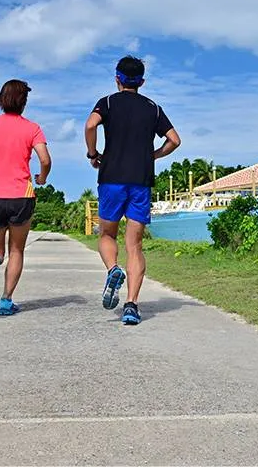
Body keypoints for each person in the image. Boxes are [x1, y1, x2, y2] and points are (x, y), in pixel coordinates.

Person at [84, 56, 181, 325]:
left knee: (106, 234)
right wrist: (153, 155)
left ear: (117, 79)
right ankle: (131, 305)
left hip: (112, 178)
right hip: (140, 180)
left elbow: (91, 125)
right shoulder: (153, 108)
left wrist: (93, 153)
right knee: (135, 245)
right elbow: (174, 140)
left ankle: (113, 269)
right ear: (142, 82)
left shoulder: (107, 102)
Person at [0, 79, 51, 316]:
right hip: (21, 197)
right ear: (24, 102)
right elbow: (45, 159)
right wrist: (42, 178)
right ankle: (6, 300)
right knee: (16, 250)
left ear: (1, 99)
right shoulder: (32, 128)